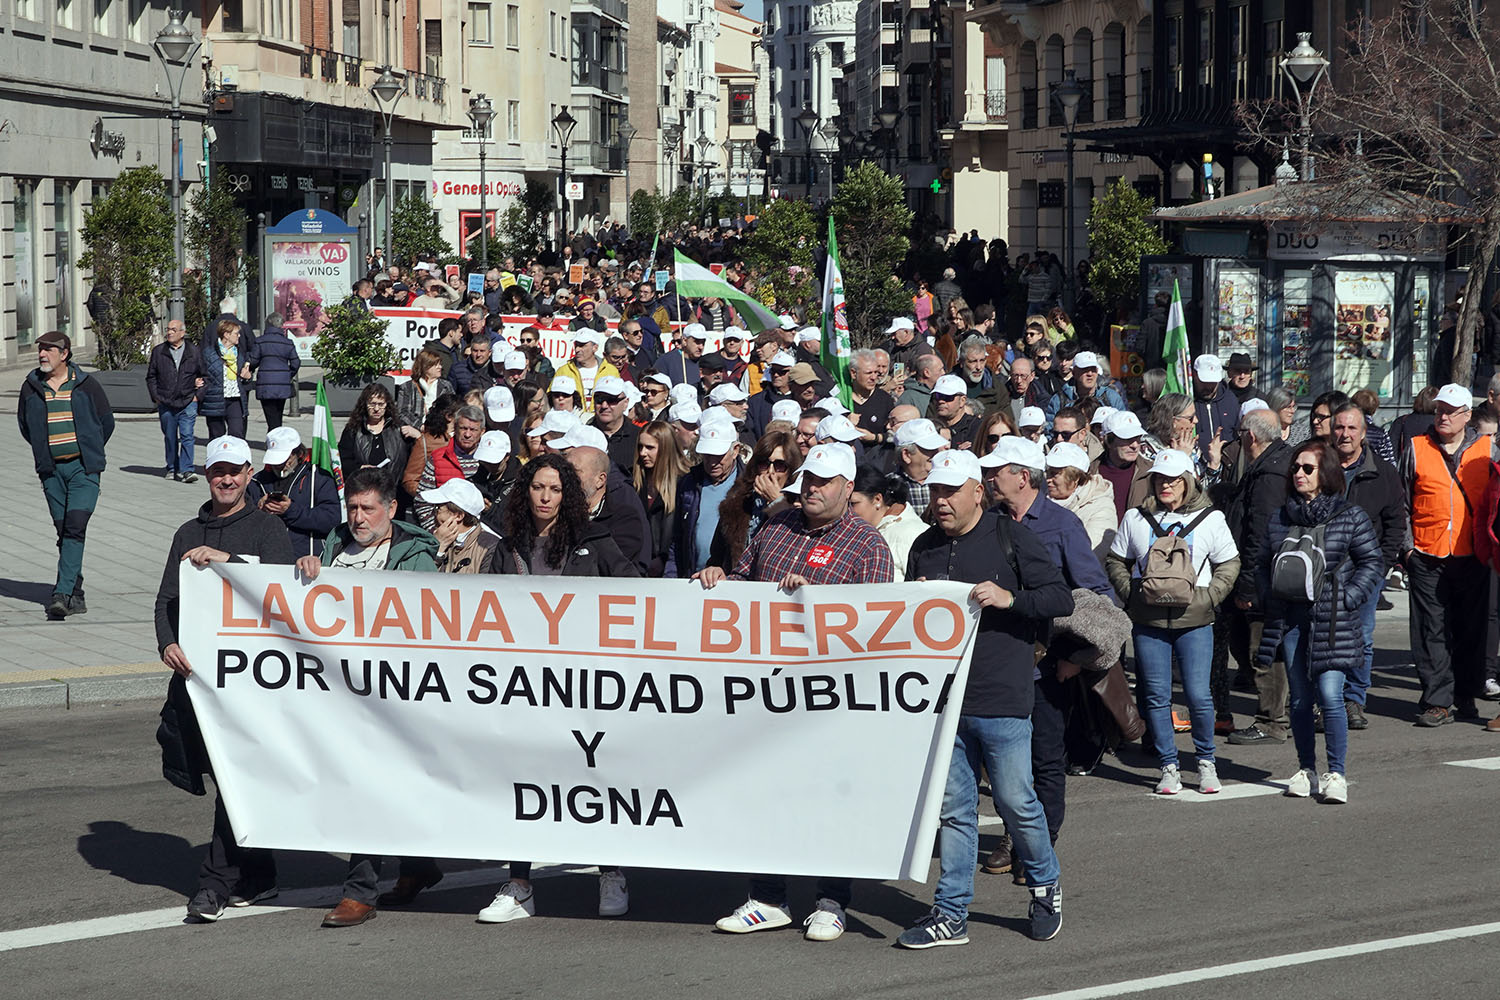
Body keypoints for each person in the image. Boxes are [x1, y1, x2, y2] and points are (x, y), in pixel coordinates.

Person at [696, 443, 895, 943]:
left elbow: (872, 627)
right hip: (766, 696)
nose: (810, 487)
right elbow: (742, 582)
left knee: (830, 797)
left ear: (848, 488)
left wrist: (817, 603)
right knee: (765, 793)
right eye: (808, 478)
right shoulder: (776, 526)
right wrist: (720, 576)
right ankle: (767, 897)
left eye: (823, 481)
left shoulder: (868, 545)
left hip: (830, 702)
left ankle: (831, 900)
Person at [897, 448, 1071, 949]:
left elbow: (1060, 597)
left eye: (951, 491)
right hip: (944, 701)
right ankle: (951, 912)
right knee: (954, 809)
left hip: (1002, 694)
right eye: (935, 491)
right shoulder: (924, 546)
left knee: (1017, 801)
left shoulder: (1011, 537)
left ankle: (1044, 885)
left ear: (978, 491)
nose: (942, 500)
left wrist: (1010, 599)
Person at [477, 453, 639, 924]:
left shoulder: (595, 541)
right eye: (537, 488)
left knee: (594, 777)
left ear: (567, 495)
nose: (545, 498)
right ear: (524, 491)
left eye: (555, 490)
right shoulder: (507, 549)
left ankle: (611, 871)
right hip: (526, 687)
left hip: (587, 686)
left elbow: (640, 593)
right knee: (525, 780)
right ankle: (520, 883)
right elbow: (482, 610)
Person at [288, 469, 439, 926]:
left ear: (391, 509)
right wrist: (310, 573)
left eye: (368, 508)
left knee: (368, 788)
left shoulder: (415, 557)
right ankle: (418, 866)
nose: (358, 517)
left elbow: (427, 621)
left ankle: (360, 892)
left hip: (395, 695)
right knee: (373, 787)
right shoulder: (332, 547)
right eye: (352, 508)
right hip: (344, 692)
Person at [154, 435, 295, 922]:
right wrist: (167, 643)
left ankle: (213, 884)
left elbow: (281, 594)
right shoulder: (187, 531)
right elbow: (165, 602)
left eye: (235, 471)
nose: (227, 479)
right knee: (227, 780)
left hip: (253, 688)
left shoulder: (268, 529)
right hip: (200, 685)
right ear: (208, 476)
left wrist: (228, 562)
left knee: (237, 777)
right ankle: (260, 875)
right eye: (218, 472)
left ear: (249, 474)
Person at [979, 437, 1112, 848]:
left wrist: (1076, 656)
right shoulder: (989, 522)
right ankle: (1012, 835)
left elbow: (1096, 595)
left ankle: (1039, 842)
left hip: (1048, 664)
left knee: (1045, 758)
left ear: (1022, 477)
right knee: (1001, 760)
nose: (988, 478)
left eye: (996, 472)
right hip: (998, 661)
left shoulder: (1061, 524)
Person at [1107, 449, 1240, 795]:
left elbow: (1229, 563)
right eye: (1161, 478)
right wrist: (1131, 594)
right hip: (1148, 622)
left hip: (1195, 622)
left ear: (1189, 482)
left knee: (1198, 695)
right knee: (1156, 696)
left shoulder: (1211, 519)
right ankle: (1168, 766)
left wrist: (1210, 597)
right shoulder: (1135, 519)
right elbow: (1116, 560)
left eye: (1174, 479)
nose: (1166, 485)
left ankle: (1206, 761)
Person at [1257, 440, 1383, 804]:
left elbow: (1371, 562)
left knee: (1330, 695)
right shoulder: (1280, 516)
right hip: (1291, 618)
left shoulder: (1349, 515)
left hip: (1333, 620)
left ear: (1325, 473)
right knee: (1298, 699)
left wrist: (1349, 597)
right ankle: (1305, 769)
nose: (1298, 473)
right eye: (1295, 468)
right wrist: (1268, 595)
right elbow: (1262, 561)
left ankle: (1336, 774)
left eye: (1307, 468)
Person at [1399, 384, 1493, 726]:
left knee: (1470, 629)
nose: (1442, 416)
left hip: (1472, 555)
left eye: (1450, 411)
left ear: (1467, 415)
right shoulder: (1416, 447)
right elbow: (1402, 500)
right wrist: (1407, 548)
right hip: (1426, 552)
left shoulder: (1487, 449)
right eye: (1439, 409)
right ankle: (1437, 700)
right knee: (1430, 629)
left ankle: (1465, 694)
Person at [18, 330, 115, 619]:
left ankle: (61, 594)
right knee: (64, 531)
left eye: (49, 350)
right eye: (41, 349)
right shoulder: (31, 386)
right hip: (51, 471)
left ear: (65, 354)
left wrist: (90, 449)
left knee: (75, 526)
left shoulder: (86, 385)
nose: (42, 354)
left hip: (83, 469)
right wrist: (44, 450)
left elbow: (106, 422)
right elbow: (26, 425)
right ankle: (77, 593)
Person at [1221, 409, 1295, 747]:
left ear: (1250, 437)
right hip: (1267, 575)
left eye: (1239, 433)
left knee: (1262, 648)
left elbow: (1260, 534)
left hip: (1264, 578)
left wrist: (1248, 585)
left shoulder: (1269, 475)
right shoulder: (1275, 464)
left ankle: (1272, 720)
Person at [1329, 401, 1404, 731]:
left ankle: (1353, 700)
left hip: (1364, 570)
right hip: (1324, 568)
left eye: (1351, 428)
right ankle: (1326, 701)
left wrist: (1381, 565)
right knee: (1323, 638)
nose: (1344, 434)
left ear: (1363, 433)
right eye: (1339, 427)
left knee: (1361, 637)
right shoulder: (1316, 464)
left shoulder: (1384, 472)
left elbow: (1395, 523)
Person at [553, 424, 651, 575]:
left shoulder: (624, 514)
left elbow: (618, 565)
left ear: (600, 479)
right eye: (564, 470)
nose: (566, 477)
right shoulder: (556, 510)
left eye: (574, 471)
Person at [708, 428, 801, 569]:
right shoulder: (738, 501)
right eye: (764, 464)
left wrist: (778, 503)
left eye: (779, 465)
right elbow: (718, 556)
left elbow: (797, 549)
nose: (770, 472)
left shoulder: (802, 505)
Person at [245, 427, 342, 559]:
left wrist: (290, 510)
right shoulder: (257, 482)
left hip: (307, 559)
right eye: (275, 461)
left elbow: (332, 520)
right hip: (267, 558)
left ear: (297, 454)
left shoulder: (318, 478)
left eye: (284, 460)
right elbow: (242, 520)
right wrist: (258, 509)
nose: (279, 465)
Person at [667, 418, 744, 576]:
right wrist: (671, 576)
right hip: (692, 579)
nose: (713, 462)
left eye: (718, 455)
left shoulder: (748, 488)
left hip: (730, 583)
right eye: (707, 455)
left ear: (735, 450)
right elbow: (678, 538)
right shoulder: (689, 484)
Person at [146, 318, 205, 482]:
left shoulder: (194, 351)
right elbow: (151, 377)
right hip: (166, 402)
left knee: (187, 435)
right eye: (168, 330)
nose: (169, 333)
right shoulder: (159, 351)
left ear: (182, 333)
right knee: (170, 436)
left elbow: (205, 375)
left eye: (173, 330)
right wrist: (156, 397)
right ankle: (172, 467)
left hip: (188, 401)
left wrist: (197, 396)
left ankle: (187, 470)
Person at [413, 404, 486, 530]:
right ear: (455, 428)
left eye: (473, 430)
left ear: (482, 431)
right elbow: (422, 499)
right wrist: (435, 531)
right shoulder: (438, 458)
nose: (467, 434)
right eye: (463, 428)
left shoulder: (488, 461)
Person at [849, 465, 924, 581]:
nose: (848, 510)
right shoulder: (850, 531)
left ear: (877, 500)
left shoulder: (913, 533)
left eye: (853, 503)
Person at [634, 420, 688, 576]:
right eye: (640, 447)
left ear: (665, 449)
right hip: (639, 567)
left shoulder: (684, 483)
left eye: (650, 448)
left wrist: (664, 558)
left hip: (672, 570)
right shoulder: (635, 483)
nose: (643, 453)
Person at [1045, 442, 1117, 557]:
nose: (1048, 479)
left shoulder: (1101, 507)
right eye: (1048, 472)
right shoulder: (1041, 499)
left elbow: (1090, 554)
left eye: (1054, 474)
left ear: (1076, 478)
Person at [420, 478, 501, 573]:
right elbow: (418, 580)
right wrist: (438, 550)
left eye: (438, 508)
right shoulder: (432, 540)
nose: (433, 514)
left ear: (458, 516)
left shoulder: (490, 547)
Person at [339, 383, 409, 477]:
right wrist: (360, 468)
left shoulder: (399, 428)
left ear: (387, 405)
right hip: (363, 485)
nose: (376, 409)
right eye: (372, 404)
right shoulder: (353, 429)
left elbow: (414, 459)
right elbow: (343, 459)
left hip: (394, 487)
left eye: (381, 404)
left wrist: (418, 436)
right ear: (365, 405)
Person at [1043, 351, 1126, 427]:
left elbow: (1123, 424)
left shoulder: (1111, 397)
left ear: (1097, 372)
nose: (1090, 374)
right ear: (1074, 373)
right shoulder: (1059, 400)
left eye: (1093, 370)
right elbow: (1050, 430)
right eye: (1084, 370)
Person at [200, 318, 251, 440]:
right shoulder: (209, 353)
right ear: (226, 335)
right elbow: (200, 372)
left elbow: (243, 375)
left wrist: (248, 377)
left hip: (235, 399)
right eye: (236, 333)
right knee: (217, 436)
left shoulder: (239, 354)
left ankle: (235, 458)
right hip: (215, 399)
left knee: (237, 434)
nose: (239, 336)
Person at [247, 312, 300, 431]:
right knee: (278, 414)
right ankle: (276, 437)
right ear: (281, 326)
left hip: (265, 383)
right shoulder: (287, 342)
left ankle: (273, 439)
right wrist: (288, 374)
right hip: (282, 384)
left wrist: (250, 368)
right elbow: (296, 363)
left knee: (270, 416)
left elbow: (253, 361)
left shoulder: (260, 341)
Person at [556, 331, 621, 411]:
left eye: (582, 345)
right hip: (571, 420)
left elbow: (619, 399)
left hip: (600, 420)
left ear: (595, 347)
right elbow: (552, 398)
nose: (577, 349)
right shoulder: (563, 370)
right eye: (576, 345)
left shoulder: (611, 371)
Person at [1191, 354, 1240, 459]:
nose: (1208, 387)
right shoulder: (1187, 401)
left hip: (1227, 466)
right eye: (1204, 382)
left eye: (1213, 382)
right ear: (1195, 375)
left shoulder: (1230, 400)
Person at [397, 349, 456, 432]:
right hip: (414, 433)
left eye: (440, 364)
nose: (440, 367)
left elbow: (453, 409)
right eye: (436, 364)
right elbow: (403, 413)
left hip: (440, 432)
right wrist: (420, 426)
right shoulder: (407, 387)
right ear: (425, 366)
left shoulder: (446, 386)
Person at [930, 374, 979, 448]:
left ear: (962, 401)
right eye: (937, 396)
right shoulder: (929, 427)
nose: (941, 401)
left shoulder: (976, 427)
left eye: (947, 397)